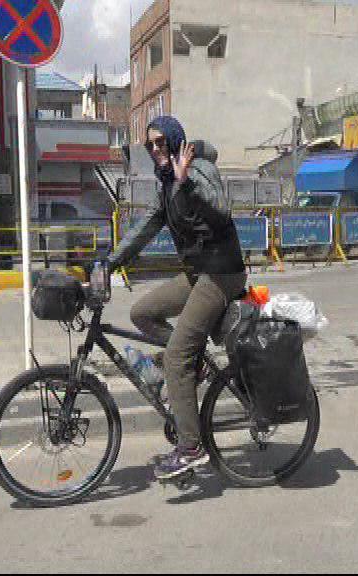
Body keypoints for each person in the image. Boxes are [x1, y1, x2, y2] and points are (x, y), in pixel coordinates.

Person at [107, 116, 246, 480]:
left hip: (221, 272)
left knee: (174, 358)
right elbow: (146, 227)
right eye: (149, 145)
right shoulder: (165, 182)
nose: (154, 150)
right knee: (143, 313)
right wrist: (110, 262)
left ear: (173, 139)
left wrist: (185, 182)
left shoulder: (198, 168)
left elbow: (220, 209)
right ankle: (194, 363)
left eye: (159, 142)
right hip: (197, 273)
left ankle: (190, 448)